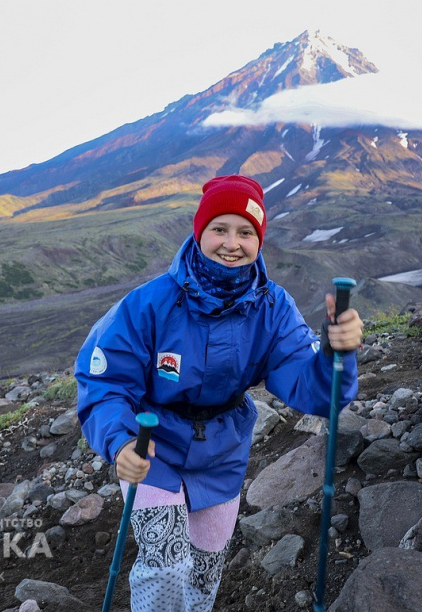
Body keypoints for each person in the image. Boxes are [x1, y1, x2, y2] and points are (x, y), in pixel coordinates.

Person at [75, 174, 363, 611]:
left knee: (206, 572)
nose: (232, 243)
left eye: (246, 232)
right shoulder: (149, 303)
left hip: (222, 449)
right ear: (200, 232)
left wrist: (334, 355)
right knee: (166, 562)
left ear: (259, 240)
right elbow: (106, 381)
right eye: (220, 230)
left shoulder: (273, 306)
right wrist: (120, 442)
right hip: (152, 444)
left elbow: (308, 385)